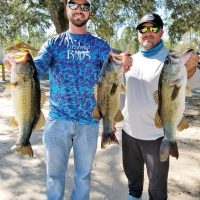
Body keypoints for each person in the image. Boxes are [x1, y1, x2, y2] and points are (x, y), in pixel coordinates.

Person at [3, 0, 132, 199]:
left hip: (89, 122)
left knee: (83, 176)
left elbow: (113, 67)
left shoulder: (99, 45)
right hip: (58, 121)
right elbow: (37, 67)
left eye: (85, 6)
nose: (79, 10)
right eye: (74, 4)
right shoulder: (54, 44)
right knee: (54, 177)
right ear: (66, 9)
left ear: (89, 12)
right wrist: (17, 67)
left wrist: (124, 61)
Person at [121, 13, 200, 200]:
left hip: (156, 137)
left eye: (153, 28)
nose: (148, 33)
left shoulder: (173, 59)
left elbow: (195, 81)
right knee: (133, 184)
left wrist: (192, 69)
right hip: (129, 132)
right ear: (138, 34)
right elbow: (119, 89)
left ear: (162, 32)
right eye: (143, 29)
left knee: (157, 191)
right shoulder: (131, 60)